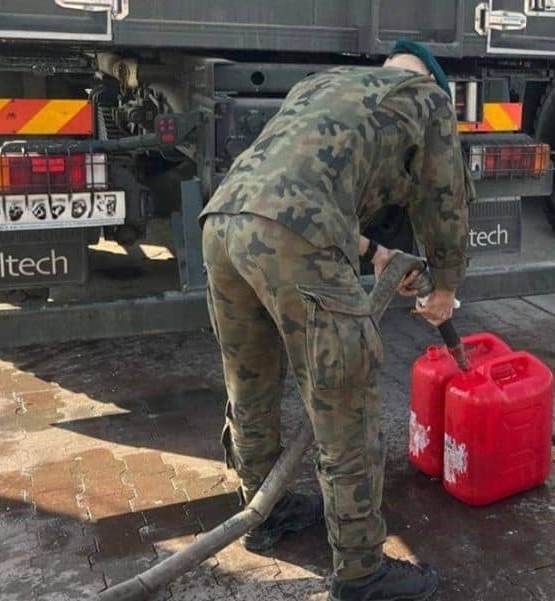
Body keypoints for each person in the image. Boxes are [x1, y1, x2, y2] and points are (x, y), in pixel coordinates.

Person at [199, 41, 473, 601]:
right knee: (346, 398)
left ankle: (265, 514)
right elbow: (443, 198)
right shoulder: (428, 100)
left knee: (249, 381)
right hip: (295, 236)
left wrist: (377, 258)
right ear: (432, 81)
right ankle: (361, 572)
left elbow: (300, 182)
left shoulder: (324, 85)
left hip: (224, 224)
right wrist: (445, 286)